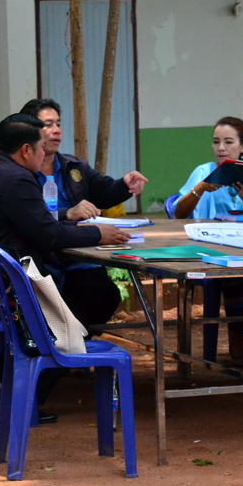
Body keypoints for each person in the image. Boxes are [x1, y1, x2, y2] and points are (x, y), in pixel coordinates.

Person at [0, 113, 130, 420]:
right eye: (42, 147)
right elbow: (49, 235)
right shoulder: (17, 179)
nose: (46, 154)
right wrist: (99, 234)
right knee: (72, 313)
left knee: (82, 293)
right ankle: (16, 393)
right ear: (26, 150)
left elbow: (39, 227)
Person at [18, 98, 149, 330]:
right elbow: (29, 217)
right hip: (43, 258)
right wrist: (67, 213)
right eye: (48, 125)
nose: (56, 130)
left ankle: (72, 345)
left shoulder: (73, 166)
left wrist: (125, 184)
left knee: (104, 293)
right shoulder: (20, 173)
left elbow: (104, 191)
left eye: (58, 124)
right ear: (30, 130)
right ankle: (61, 347)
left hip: (79, 257)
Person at [173, 116, 243, 366]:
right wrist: (200, 188)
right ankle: (236, 334)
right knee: (237, 274)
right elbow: (178, 212)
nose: (221, 148)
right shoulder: (203, 172)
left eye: (228, 142)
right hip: (213, 250)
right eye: (216, 142)